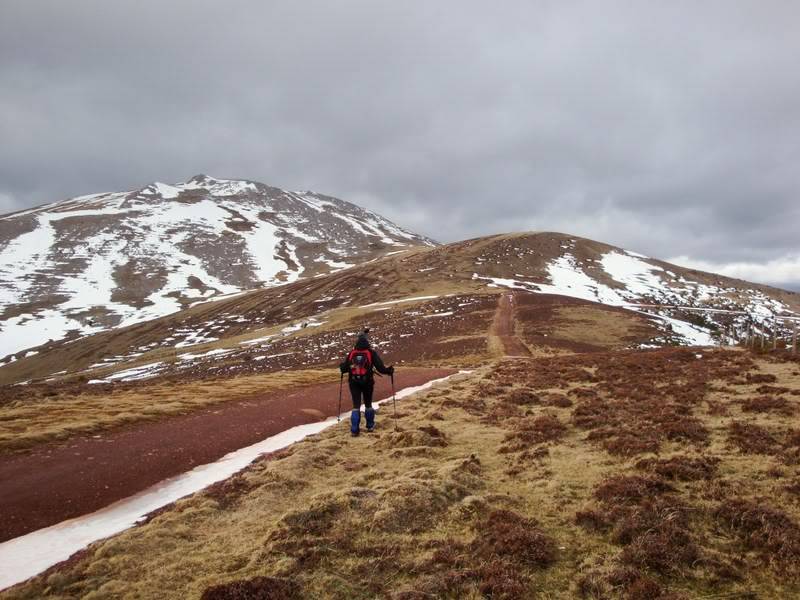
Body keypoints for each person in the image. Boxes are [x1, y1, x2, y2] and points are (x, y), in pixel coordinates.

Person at [339, 328, 394, 436]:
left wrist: (342, 366)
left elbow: (344, 369)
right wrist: (389, 371)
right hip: (368, 382)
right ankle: (370, 426)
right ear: (367, 343)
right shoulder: (371, 352)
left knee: (356, 406)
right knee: (368, 404)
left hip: (354, 382)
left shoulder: (352, 353)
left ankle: (354, 430)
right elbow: (380, 368)